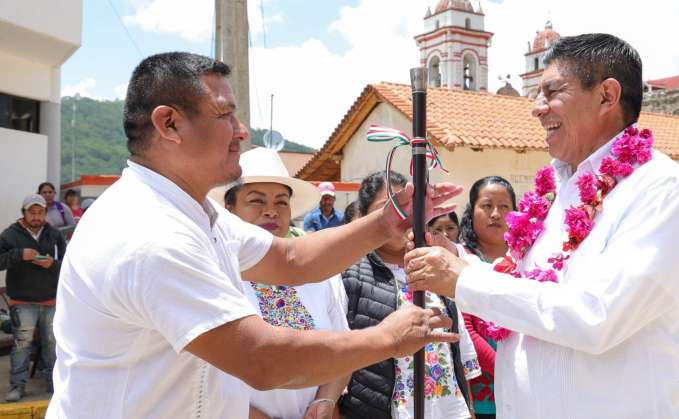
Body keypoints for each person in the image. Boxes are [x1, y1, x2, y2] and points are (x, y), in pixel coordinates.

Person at [47, 52, 462, 419]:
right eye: (225, 114)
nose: (241, 130)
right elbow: (261, 360)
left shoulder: (194, 215)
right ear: (169, 123)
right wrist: (388, 338)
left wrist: (388, 221)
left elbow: (292, 259)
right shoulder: (149, 232)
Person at [404, 33, 679, 418]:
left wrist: (463, 279)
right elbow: (528, 290)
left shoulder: (660, 187)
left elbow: (596, 315)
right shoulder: (556, 190)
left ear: (607, 96)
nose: (536, 107)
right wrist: (456, 259)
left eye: (551, 92)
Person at [216, 147, 350, 419]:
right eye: (256, 201)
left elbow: (343, 348)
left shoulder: (318, 272)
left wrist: (325, 399)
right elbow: (204, 375)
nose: (271, 212)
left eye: (280, 202)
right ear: (229, 208)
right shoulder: (214, 273)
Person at [337, 170, 480, 419]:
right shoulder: (347, 274)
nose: (401, 218)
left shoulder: (437, 267)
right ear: (364, 216)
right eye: (388, 208)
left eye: (409, 208)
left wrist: (468, 409)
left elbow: (457, 351)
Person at [456, 176, 516, 418]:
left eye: (504, 207)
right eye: (487, 206)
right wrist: (506, 368)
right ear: (472, 212)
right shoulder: (459, 258)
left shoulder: (526, 257)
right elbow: (465, 327)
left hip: (525, 386)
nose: (495, 214)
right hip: (478, 392)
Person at [0, 194, 66, 401]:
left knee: (52, 344)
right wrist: (19, 255)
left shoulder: (54, 235)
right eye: (32, 212)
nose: (36, 216)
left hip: (51, 299)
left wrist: (52, 265)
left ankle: (54, 384)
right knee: (22, 345)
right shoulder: (10, 235)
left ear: (46, 213)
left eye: (40, 212)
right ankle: (17, 386)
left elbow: (67, 264)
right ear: (24, 213)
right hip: (22, 300)